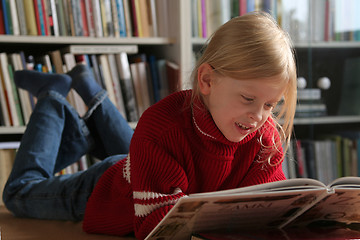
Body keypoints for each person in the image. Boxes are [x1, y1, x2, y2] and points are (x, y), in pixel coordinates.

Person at [3, 12, 297, 240]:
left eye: (270, 105)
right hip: (112, 190)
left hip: (155, 172)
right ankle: (52, 97)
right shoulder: (162, 127)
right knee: (18, 194)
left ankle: (88, 113)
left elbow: (263, 210)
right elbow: (158, 228)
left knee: (151, 148)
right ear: (206, 81)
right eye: (248, 98)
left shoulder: (263, 136)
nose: (259, 116)